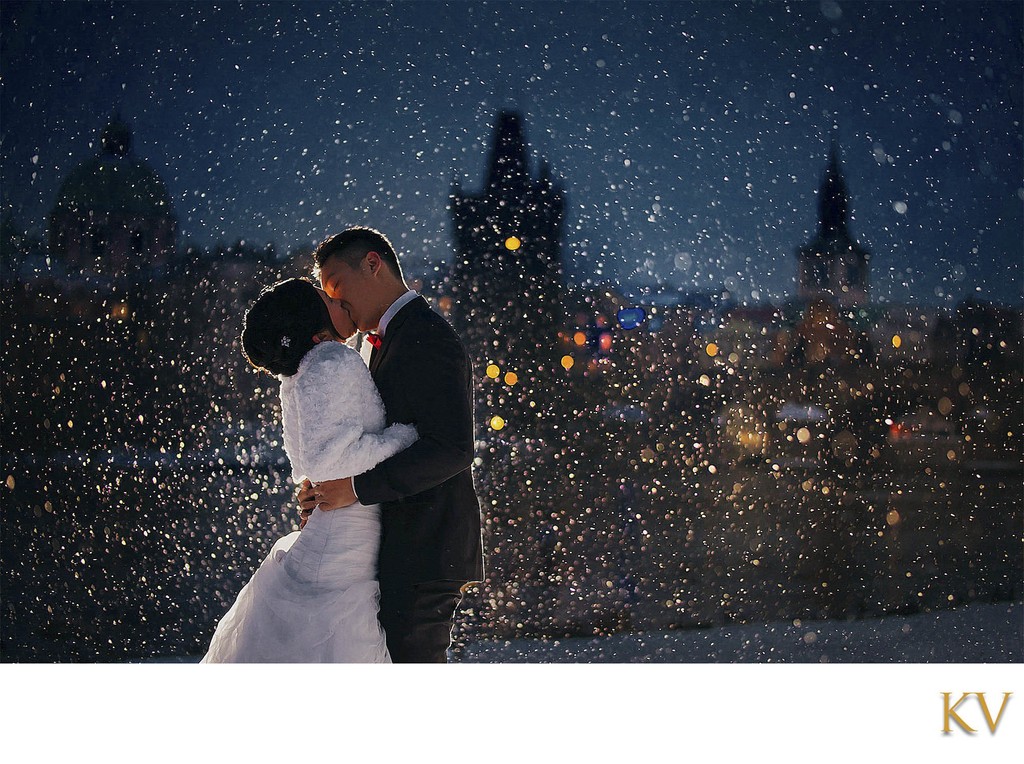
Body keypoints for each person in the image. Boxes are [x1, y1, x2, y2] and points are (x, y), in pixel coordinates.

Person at [202, 278, 417, 663]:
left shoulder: (302, 371)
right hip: (344, 542)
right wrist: (404, 438)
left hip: (337, 530)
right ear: (315, 322)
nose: (338, 298)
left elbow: (306, 463)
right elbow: (332, 460)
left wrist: (316, 486)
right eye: (326, 298)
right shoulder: (333, 361)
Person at [298, 226, 484, 663]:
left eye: (336, 286)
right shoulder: (376, 342)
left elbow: (453, 448)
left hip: (425, 546)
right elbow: (372, 437)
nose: (335, 301)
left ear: (373, 264)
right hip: (402, 547)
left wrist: (356, 489)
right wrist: (326, 486)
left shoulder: (426, 334)